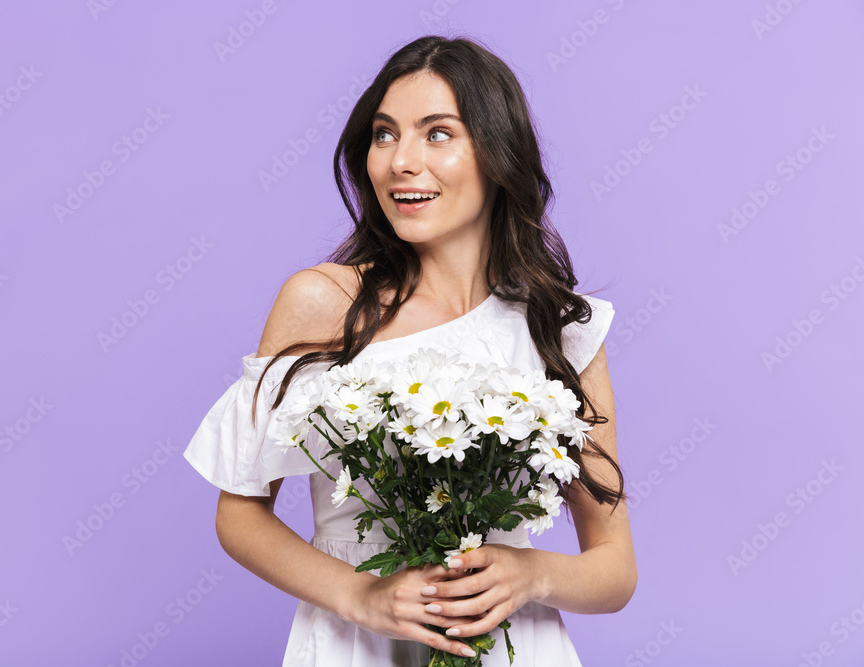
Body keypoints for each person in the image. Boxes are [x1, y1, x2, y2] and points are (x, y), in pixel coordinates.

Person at [184, 34, 637, 666]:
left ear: (496, 153)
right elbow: (239, 515)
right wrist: (361, 595)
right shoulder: (322, 302)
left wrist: (530, 574)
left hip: (514, 645)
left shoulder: (557, 326)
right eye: (384, 134)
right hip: (356, 645)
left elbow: (615, 569)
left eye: (438, 133)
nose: (401, 161)